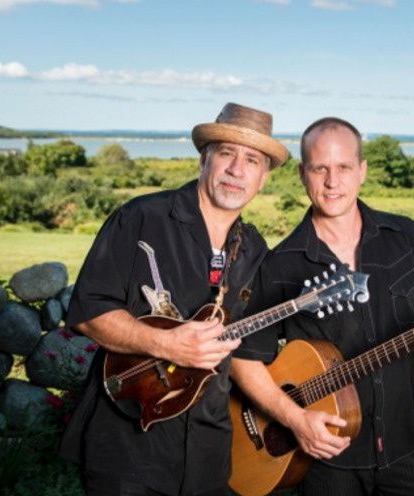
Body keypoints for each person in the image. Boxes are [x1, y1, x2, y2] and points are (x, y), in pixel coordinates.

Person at [59, 103, 289, 496]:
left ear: (263, 178)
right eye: (227, 154)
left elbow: (244, 352)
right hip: (128, 445)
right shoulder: (142, 218)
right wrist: (166, 343)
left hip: (209, 453)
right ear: (204, 159)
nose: (237, 170)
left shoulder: (253, 249)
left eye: (252, 160)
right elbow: (88, 309)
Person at [230, 117, 414, 495]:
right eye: (320, 168)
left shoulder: (407, 238)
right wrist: (294, 418)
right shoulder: (280, 266)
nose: (332, 181)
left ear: (362, 171)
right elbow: (243, 357)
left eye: (343, 168)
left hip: (406, 451)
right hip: (323, 464)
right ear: (303, 174)